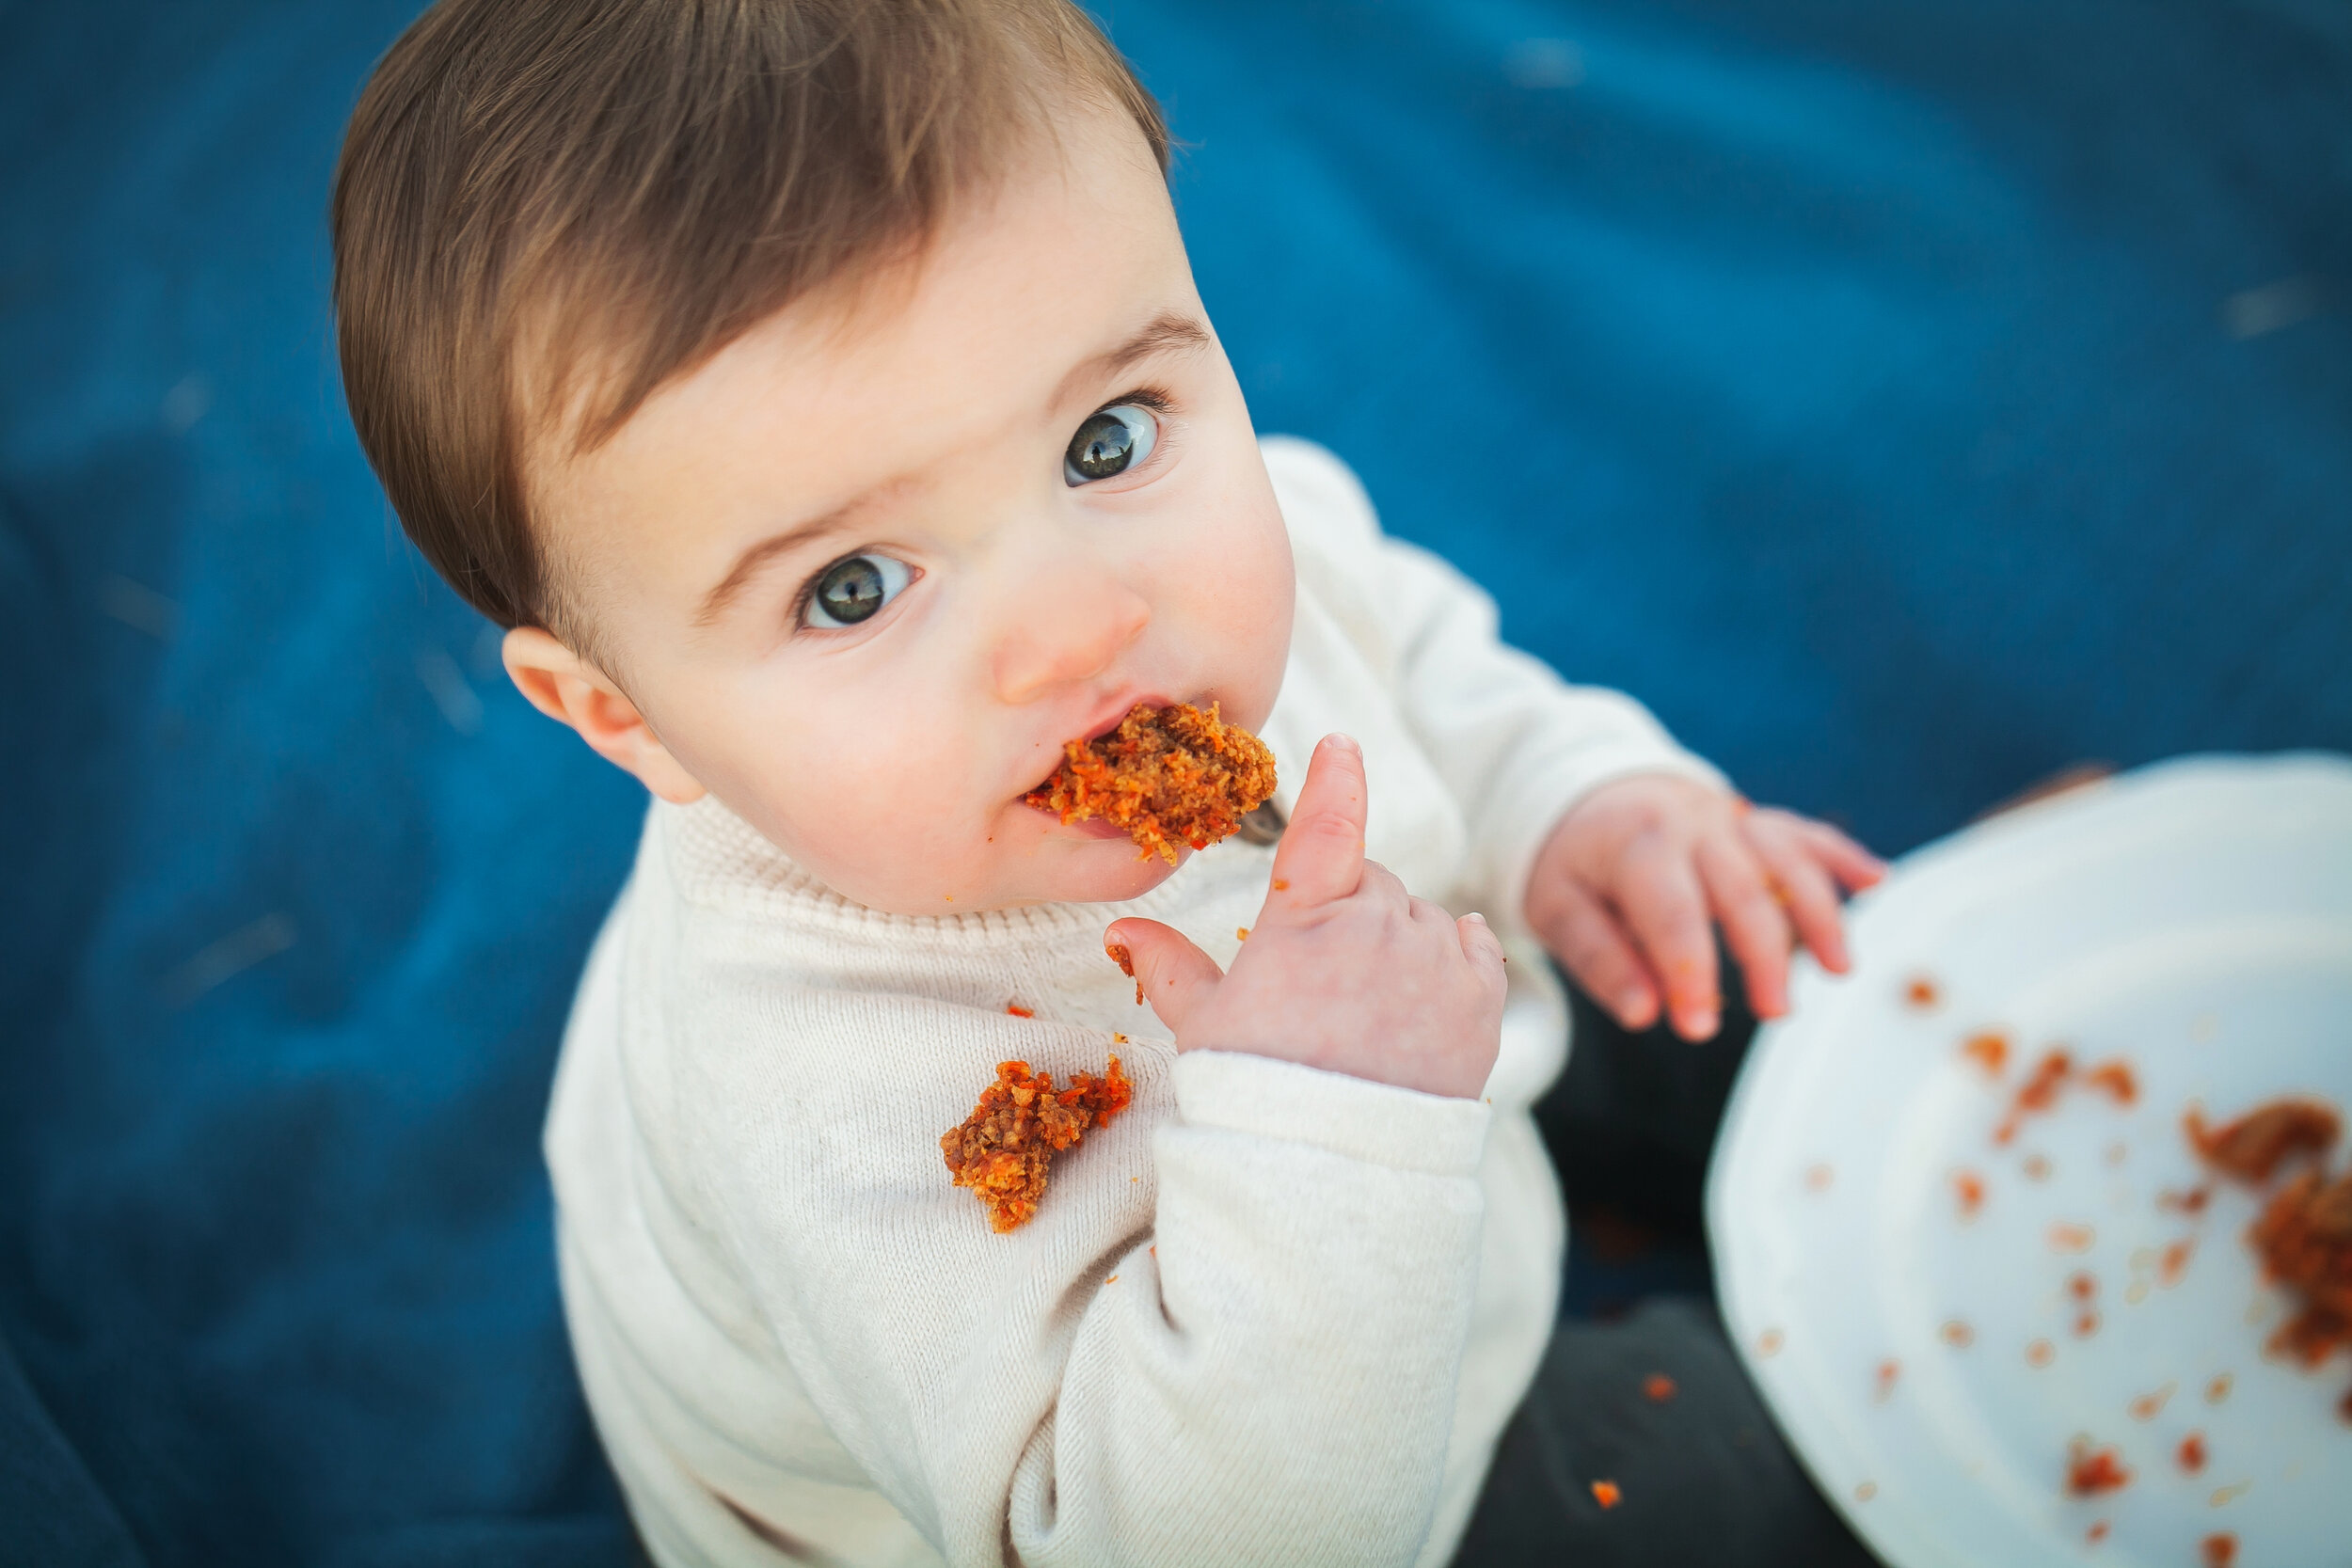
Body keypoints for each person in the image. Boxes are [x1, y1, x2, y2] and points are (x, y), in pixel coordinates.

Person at [330, 2, 1885, 1562]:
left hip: (1383, 1051)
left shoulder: (1208, 556)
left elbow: (1407, 644)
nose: (1082, 625)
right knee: (1797, 1458)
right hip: (1264, 1463)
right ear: (622, 718)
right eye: (857, 587)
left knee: (1747, 948)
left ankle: (1845, 1026)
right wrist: (1325, 1129)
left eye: (1103, 439)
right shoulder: (838, 1109)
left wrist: (1570, 806)